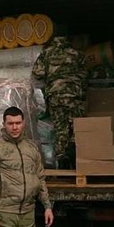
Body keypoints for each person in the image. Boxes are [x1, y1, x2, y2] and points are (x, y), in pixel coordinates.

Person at [31, 33, 88, 166]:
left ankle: (62, 160)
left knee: (60, 129)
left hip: (55, 97)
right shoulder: (77, 54)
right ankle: (77, 157)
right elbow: (85, 77)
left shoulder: (46, 54)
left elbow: (37, 73)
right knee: (77, 128)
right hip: (74, 97)